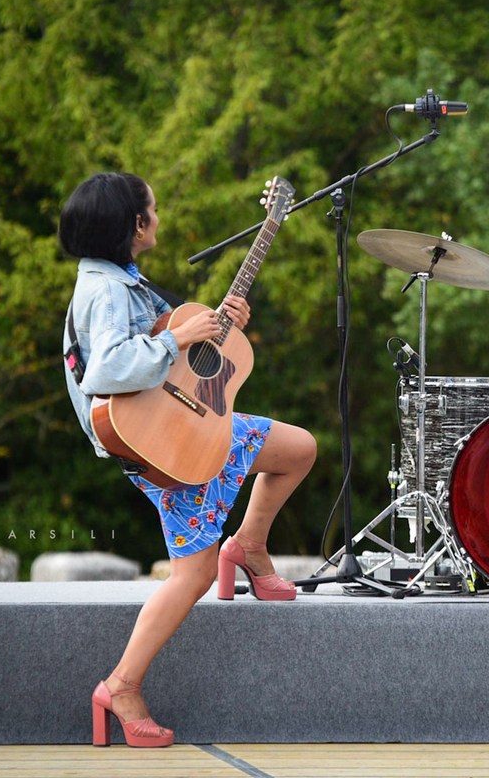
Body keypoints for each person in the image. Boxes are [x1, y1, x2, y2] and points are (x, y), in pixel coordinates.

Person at [59, 172, 317, 747]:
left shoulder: (123, 280)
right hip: (162, 447)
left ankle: (247, 544)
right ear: (135, 225)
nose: (158, 213)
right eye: (152, 207)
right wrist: (179, 340)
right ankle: (120, 686)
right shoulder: (105, 291)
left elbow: (168, 345)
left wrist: (214, 327)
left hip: (192, 424)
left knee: (298, 449)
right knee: (193, 574)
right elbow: (107, 369)